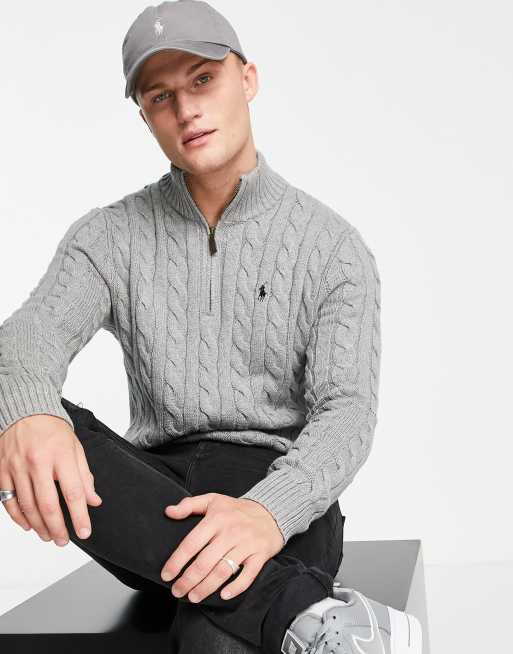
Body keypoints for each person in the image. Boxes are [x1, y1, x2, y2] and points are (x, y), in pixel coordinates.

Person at [0, 1, 422, 652]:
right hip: (154, 492)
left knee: (214, 639)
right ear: (145, 116)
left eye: (203, 80)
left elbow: (347, 413)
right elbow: (28, 338)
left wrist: (267, 511)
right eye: (161, 96)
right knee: (18, 406)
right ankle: (302, 612)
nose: (186, 110)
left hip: (277, 483)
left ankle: (278, 601)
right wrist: (31, 415)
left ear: (247, 79)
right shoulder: (107, 237)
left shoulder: (332, 248)